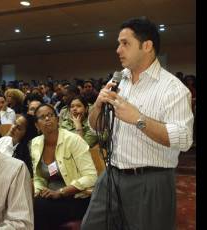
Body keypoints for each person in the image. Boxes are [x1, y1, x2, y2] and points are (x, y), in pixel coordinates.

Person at [81, 17, 194, 230]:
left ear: (147, 46)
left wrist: (138, 119)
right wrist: (97, 106)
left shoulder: (173, 89)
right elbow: (96, 126)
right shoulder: (118, 80)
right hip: (112, 174)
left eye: (125, 43)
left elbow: (185, 138)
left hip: (150, 181)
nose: (118, 49)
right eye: (118, 43)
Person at [31, 104, 97, 229]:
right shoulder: (35, 143)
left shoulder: (73, 140)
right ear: (36, 125)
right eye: (42, 117)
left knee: (39, 207)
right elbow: (38, 177)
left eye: (50, 115)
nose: (47, 119)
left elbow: (91, 177)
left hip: (77, 198)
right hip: (50, 199)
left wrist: (60, 192)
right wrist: (39, 191)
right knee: (33, 204)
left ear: (58, 120)